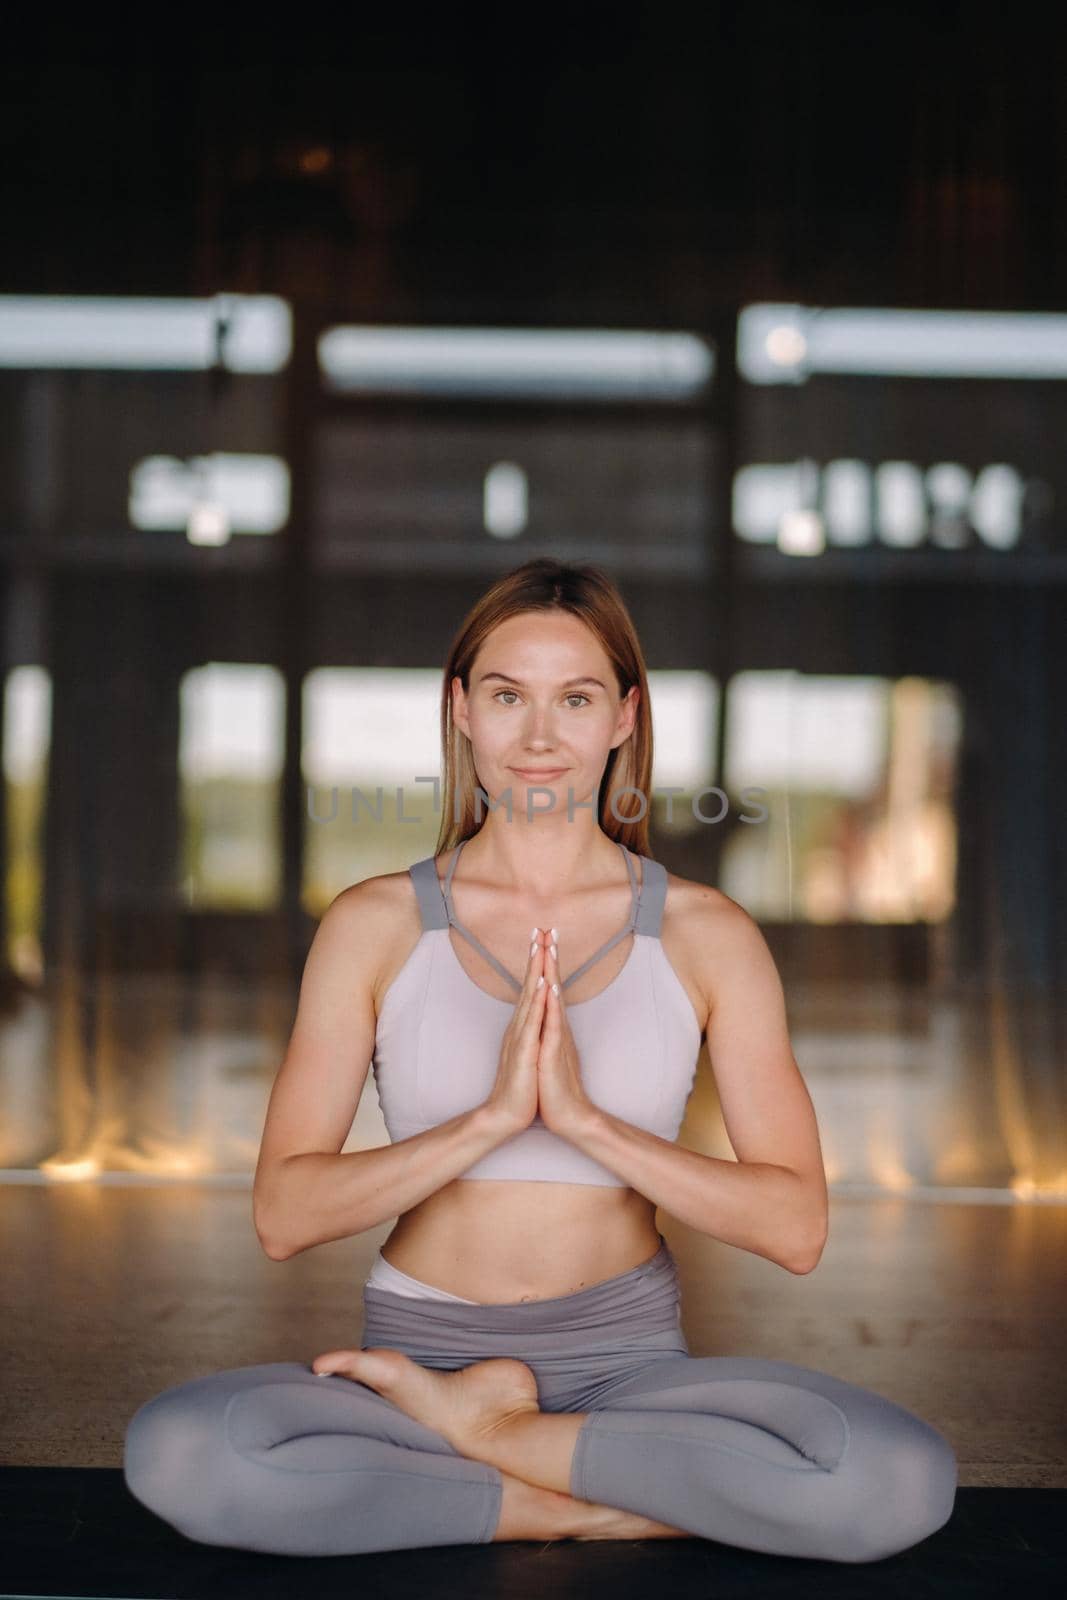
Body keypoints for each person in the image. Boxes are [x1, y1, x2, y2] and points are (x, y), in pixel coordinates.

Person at [123, 558, 958, 1561]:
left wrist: (582, 1120)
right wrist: (484, 1118)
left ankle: (495, 1445)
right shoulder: (375, 925)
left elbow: (794, 1227)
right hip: (417, 1364)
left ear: (621, 718)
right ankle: (569, 1493)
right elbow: (283, 1215)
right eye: (506, 694)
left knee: (899, 1477)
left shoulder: (704, 934)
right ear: (461, 709)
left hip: (628, 1370)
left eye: (575, 698)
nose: (537, 736)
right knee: (180, 1453)